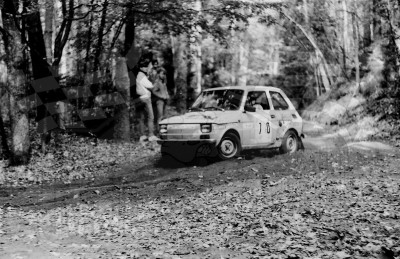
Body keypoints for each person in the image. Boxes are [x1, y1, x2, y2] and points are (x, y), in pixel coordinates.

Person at [134, 60, 158, 142]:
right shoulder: (141, 76)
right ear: (141, 68)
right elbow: (150, 86)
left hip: (139, 98)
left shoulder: (138, 75)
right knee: (151, 117)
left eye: (146, 66)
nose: (146, 68)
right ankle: (151, 135)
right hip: (146, 98)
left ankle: (142, 135)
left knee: (141, 118)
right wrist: (155, 82)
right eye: (145, 67)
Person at [150, 60, 169, 133]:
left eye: (164, 74)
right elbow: (154, 91)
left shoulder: (163, 83)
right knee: (160, 116)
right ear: (158, 74)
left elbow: (165, 91)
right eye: (162, 74)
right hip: (159, 101)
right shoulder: (157, 82)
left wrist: (167, 95)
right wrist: (160, 96)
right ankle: (158, 131)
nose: (163, 75)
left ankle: (163, 131)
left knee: (164, 116)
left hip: (165, 100)